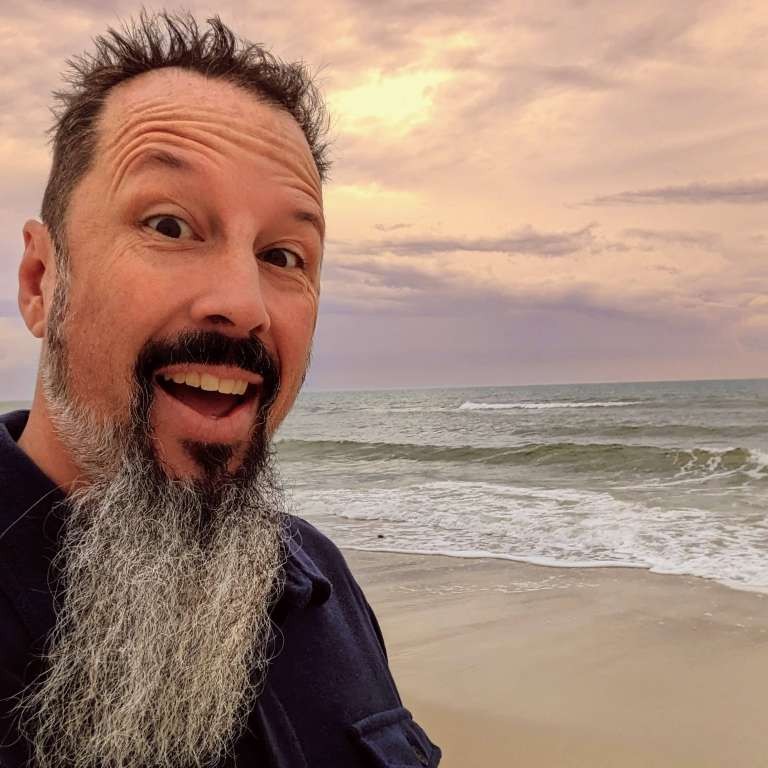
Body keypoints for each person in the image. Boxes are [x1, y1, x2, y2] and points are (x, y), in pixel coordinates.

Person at [0, 11, 441, 768]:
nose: (245, 304)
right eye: (169, 226)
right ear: (43, 283)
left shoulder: (319, 580)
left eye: (284, 255)